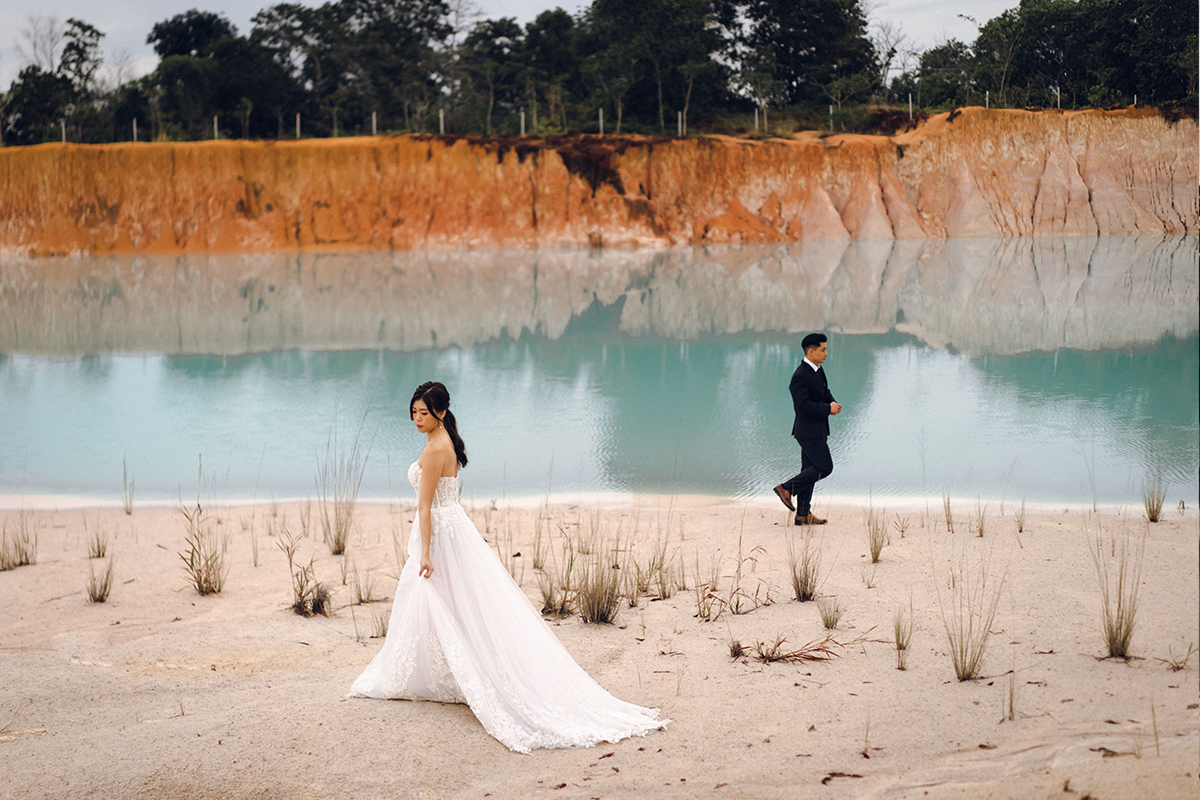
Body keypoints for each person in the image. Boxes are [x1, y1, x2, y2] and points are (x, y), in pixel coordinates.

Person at [348, 381, 665, 753]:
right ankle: (443, 673)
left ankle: (460, 675)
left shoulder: (436, 449)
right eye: (414, 412)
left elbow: (424, 507)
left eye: (425, 412)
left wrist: (426, 552)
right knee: (452, 603)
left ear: (442, 413)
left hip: (440, 534)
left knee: (443, 600)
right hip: (452, 528)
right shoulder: (443, 441)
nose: (418, 419)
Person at [774, 334, 842, 525]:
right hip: (808, 431)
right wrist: (827, 409)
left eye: (826, 349)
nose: (826, 354)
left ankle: (803, 514)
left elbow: (824, 391)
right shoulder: (800, 376)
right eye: (823, 350)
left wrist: (832, 401)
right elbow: (802, 406)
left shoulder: (817, 370)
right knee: (824, 467)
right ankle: (786, 488)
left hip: (818, 429)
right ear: (810, 351)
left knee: (809, 470)